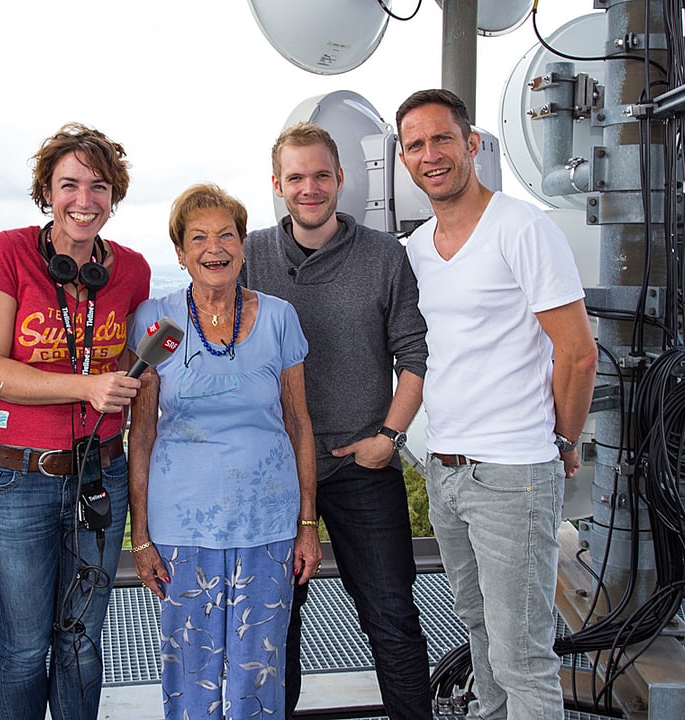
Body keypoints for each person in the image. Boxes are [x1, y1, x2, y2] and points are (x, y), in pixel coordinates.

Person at [396, 88, 599, 720]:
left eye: (442, 139)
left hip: (512, 472)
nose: (430, 155)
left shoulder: (522, 227)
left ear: (472, 143)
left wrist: (560, 443)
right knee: (483, 638)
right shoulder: (418, 249)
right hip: (448, 471)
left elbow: (578, 354)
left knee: (523, 658)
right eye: (415, 145)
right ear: (404, 158)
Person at [242, 121, 432, 720]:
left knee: (391, 614)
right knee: (276, 623)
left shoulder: (383, 256)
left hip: (361, 465)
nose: (310, 187)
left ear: (341, 179)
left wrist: (389, 438)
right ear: (277, 184)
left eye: (321, 174)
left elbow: (415, 355)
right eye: (295, 176)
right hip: (276, 469)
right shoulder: (247, 255)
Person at [0, 122, 150, 720]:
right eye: (69, 184)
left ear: (113, 196)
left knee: (81, 640)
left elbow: (125, 360)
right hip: (17, 479)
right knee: (25, 645)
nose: (83, 199)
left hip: (100, 475)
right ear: (46, 191)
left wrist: (135, 373)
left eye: (98, 186)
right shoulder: (9, 251)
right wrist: (86, 386)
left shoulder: (131, 269)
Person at [127, 183, 321, 719]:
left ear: (242, 244)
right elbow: (140, 432)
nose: (214, 248)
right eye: (199, 238)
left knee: (259, 671)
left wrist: (309, 523)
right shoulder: (158, 321)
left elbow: (299, 423)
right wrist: (139, 537)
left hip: (269, 521)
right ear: (181, 252)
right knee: (189, 668)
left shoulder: (279, 318)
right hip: (183, 525)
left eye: (226, 235)